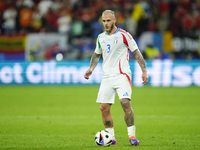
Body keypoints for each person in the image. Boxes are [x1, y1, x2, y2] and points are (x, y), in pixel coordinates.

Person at [84, 10, 148, 146]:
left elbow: (136, 52)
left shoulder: (124, 35)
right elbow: (96, 55)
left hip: (122, 75)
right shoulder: (100, 37)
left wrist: (144, 71)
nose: (106, 23)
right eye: (103, 21)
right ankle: (111, 137)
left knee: (125, 103)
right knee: (104, 108)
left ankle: (132, 136)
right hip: (107, 77)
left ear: (114, 20)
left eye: (108, 20)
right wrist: (91, 68)